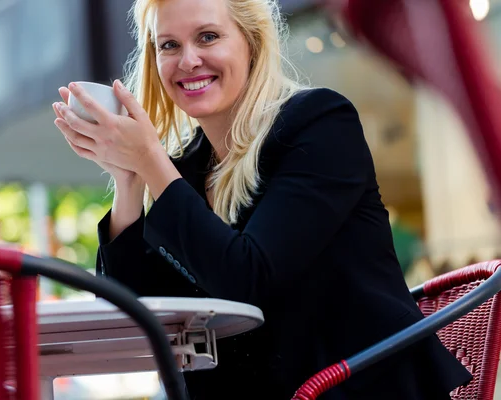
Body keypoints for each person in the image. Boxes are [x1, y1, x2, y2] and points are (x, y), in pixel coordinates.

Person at [51, 0, 472, 398]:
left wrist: (151, 161)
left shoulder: (319, 123)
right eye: (169, 45)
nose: (188, 60)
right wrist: (130, 180)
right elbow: (137, 313)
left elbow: (246, 280)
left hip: (355, 387)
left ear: (251, 42)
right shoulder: (186, 169)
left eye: (208, 37)